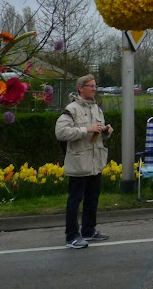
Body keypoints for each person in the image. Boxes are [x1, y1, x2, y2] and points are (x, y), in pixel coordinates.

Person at [56, 74, 114, 249]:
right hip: (79, 162)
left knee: (92, 198)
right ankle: (71, 236)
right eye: (91, 86)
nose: (94, 89)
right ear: (80, 88)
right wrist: (86, 129)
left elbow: (96, 133)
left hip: (95, 162)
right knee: (75, 200)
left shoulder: (97, 108)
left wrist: (105, 131)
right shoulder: (71, 109)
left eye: (95, 86)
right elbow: (61, 132)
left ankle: (89, 230)